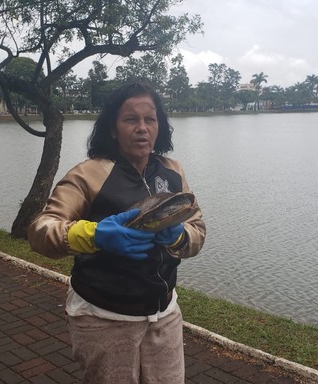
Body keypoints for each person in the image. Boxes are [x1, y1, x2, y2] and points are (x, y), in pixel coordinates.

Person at [27, 82, 206, 383]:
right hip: (104, 316)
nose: (142, 128)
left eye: (150, 119)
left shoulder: (172, 171)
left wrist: (179, 237)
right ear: (112, 128)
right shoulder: (88, 174)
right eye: (130, 119)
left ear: (159, 127)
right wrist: (95, 235)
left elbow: (197, 227)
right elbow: (40, 230)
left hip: (165, 314)